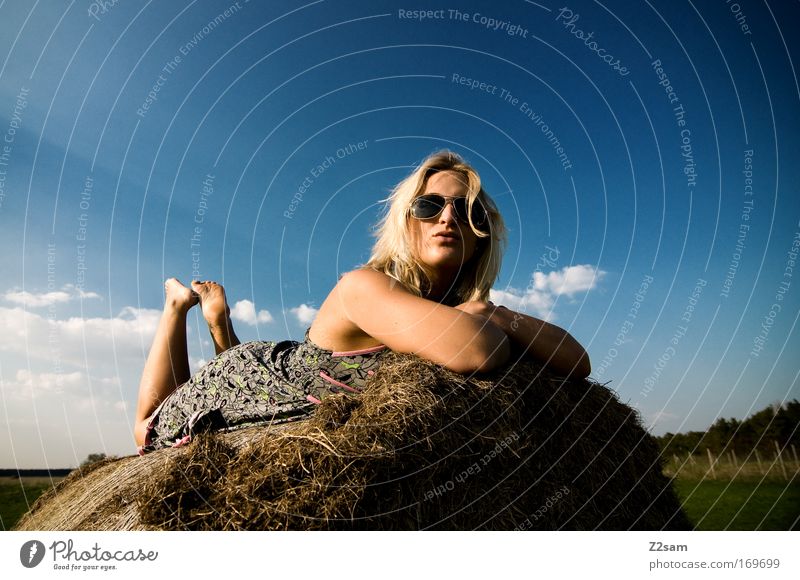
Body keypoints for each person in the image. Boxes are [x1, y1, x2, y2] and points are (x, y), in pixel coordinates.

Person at [134, 151, 590, 453]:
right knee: (148, 427)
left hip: (304, 390)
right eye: (429, 206)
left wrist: (492, 311)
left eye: (466, 210)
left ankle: (221, 328)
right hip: (273, 379)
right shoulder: (362, 286)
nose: (448, 216)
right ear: (405, 218)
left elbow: (578, 361)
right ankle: (178, 306)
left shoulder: (470, 311)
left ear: (482, 233)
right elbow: (472, 351)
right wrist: (489, 324)